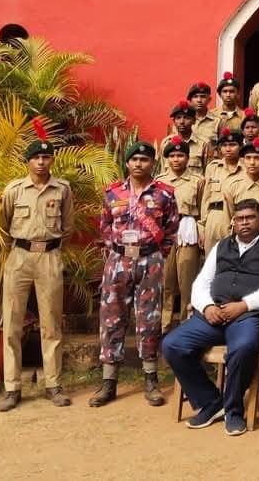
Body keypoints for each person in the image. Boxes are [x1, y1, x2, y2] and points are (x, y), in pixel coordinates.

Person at [161, 198, 259, 435]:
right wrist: (207, 306)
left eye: (250, 218)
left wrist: (244, 305)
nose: (245, 223)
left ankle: (233, 409)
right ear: (233, 222)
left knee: (244, 347)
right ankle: (212, 402)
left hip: (247, 316)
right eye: (240, 219)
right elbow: (202, 282)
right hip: (213, 315)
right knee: (172, 344)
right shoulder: (222, 245)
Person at [90, 142, 179, 408]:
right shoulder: (112, 193)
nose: (139, 163)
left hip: (150, 259)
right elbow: (105, 225)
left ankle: (150, 379)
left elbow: (172, 228)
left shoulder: (164, 194)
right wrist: (118, 249)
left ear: (153, 164)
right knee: (111, 317)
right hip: (118, 261)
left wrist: (154, 253)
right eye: (134, 159)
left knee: (149, 318)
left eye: (144, 159)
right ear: (127, 163)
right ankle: (109, 381)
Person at [0, 125, 73, 411]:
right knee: (12, 323)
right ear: (28, 161)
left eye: (47, 157)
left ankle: (53, 385)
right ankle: (12, 388)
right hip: (19, 257)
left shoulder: (62, 189)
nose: (41, 162)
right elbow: (3, 223)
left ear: (52, 160)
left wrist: (48, 247)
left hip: (50, 257)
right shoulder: (14, 190)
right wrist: (21, 247)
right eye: (36, 158)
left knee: (51, 323)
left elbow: (67, 226)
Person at [158, 136, 206, 332]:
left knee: (187, 281)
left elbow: (203, 209)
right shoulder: (159, 182)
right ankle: (164, 325)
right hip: (165, 232)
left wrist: (201, 231)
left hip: (188, 228)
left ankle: (187, 324)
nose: (176, 159)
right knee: (167, 281)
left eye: (180, 155)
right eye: (172, 156)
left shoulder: (198, 181)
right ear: (167, 159)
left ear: (187, 158)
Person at [205, 137, 259, 254]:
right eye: (248, 158)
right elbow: (228, 216)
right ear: (243, 160)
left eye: (257, 158)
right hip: (240, 238)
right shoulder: (232, 185)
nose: (252, 162)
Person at [168, 100, 208, 176]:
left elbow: (208, 172)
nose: (182, 122)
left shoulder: (203, 144)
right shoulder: (167, 143)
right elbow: (164, 171)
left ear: (194, 121)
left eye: (186, 118)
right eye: (178, 118)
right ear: (174, 121)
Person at [187, 82, 220, 157]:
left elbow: (222, 148)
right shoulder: (184, 122)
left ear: (209, 99)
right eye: (195, 97)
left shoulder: (217, 122)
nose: (199, 100)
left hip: (209, 164)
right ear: (190, 100)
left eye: (203, 97)